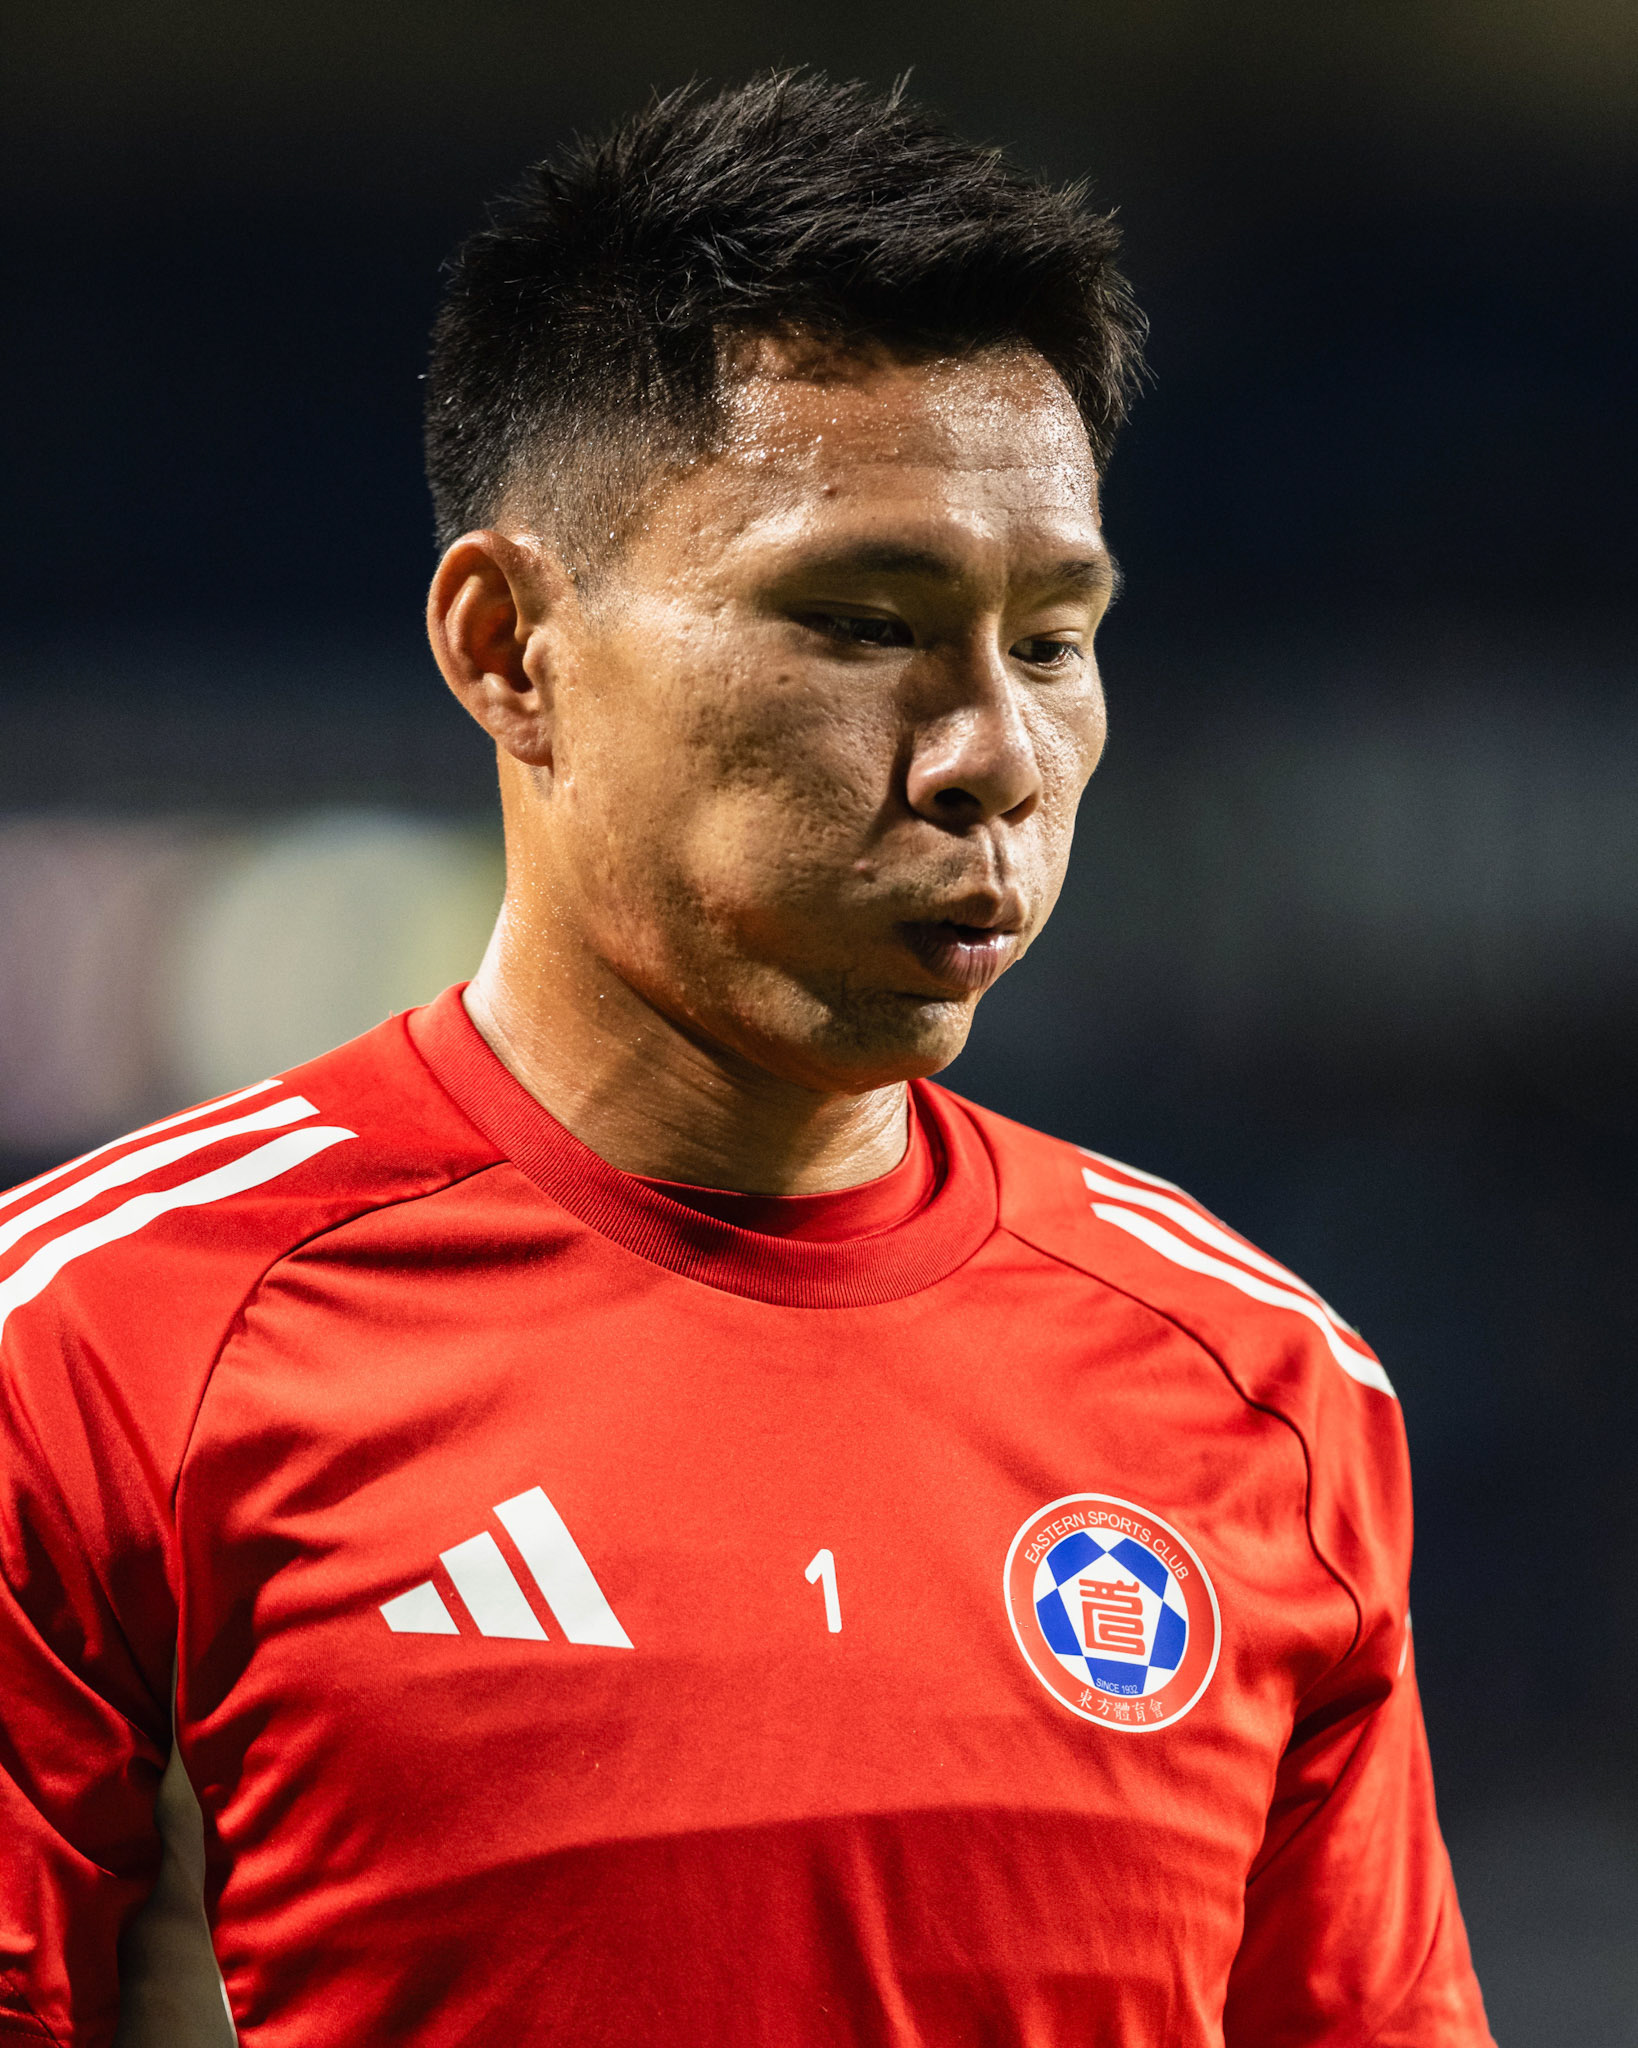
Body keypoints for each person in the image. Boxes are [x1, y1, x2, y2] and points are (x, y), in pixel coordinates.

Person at [0, 71, 1492, 2048]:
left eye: (1052, 640)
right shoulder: (99, 1351)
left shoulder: (1265, 1386)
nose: (991, 757)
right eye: (863, 621)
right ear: (508, 645)